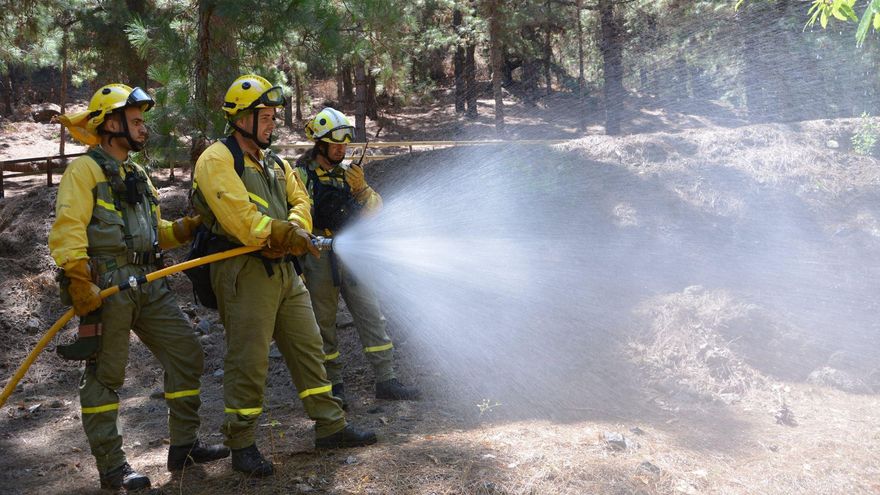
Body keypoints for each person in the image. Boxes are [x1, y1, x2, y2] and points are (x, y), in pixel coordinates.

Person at [191, 75, 376, 477]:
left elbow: (301, 199)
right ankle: (242, 442)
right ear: (242, 118)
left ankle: (331, 425)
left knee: (309, 347)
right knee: (249, 359)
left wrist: (294, 229)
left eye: (274, 116)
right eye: (266, 117)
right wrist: (278, 233)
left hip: (285, 269)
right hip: (243, 270)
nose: (273, 123)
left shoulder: (275, 162)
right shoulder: (217, 160)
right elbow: (240, 218)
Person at [51, 84, 228, 491]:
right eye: (135, 121)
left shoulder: (137, 174)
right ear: (110, 124)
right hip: (108, 287)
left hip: (148, 282)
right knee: (105, 375)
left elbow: (153, 233)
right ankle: (113, 467)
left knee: (186, 354)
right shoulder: (84, 172)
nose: (143, 128)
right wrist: (78, 278)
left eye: (142, 121)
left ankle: (184, 447)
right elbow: (68, 228)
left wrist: (186, 228)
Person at [296, 107, 419, 409]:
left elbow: (376, 209)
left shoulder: (348, 176)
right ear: (320, 144)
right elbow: (296, 213)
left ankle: (386, 379)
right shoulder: (301, 176)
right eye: (335, 144)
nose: (341, 149)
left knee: (371, 314)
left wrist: (361, 189)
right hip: (319, 256)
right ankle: (333, 386)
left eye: (345, 144)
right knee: (323, 323)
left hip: (352, 255)